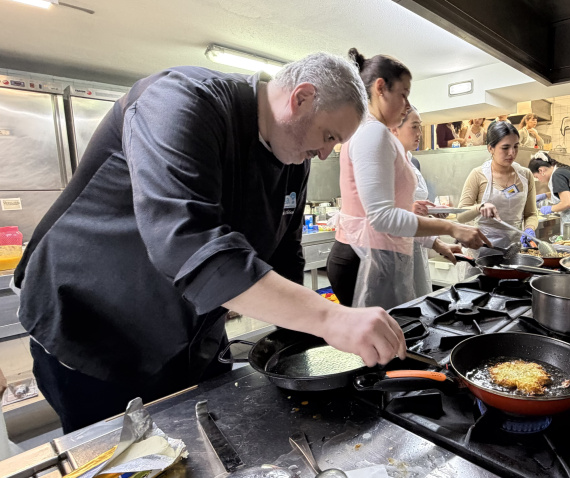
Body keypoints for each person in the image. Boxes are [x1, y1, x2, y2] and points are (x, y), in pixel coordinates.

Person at [13, 53, 410, 433]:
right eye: (328, 136)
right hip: (97, 327)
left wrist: (315, 338)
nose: (325, 153)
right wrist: (332, 319)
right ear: (301, 97)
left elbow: (283, 255)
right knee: (131, 458)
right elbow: (188, 242)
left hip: (191, 333)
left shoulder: (294, 161)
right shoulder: (180, 100)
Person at [328, 49, 488, 310]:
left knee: (387, 341)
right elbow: (383, 218)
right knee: (381, 345)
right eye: (403, 94)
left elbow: (396, 212)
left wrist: (436, 243)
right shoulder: (372, 133)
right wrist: (451, 228)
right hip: (362, 259)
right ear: (381, 88)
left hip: (372, 255)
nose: (406, 104)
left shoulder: (377, 134)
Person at [390, 106, 462, 296]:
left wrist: (431, 210)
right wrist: (441, 236)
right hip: (396, 246)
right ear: (395, 129)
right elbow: (393, 214)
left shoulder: (413, 162)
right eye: (414, 127)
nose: (419, 134)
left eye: (420, 127)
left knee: (417, 295)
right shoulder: (389, 162)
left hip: (417, 244)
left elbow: (414, 204)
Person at [457, 122, 539, 260]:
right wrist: (479, 208)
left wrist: (529, 228)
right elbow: (460, 216)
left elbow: (531, 213)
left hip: (514, 250)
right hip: (481, 250)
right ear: (491, 148)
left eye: (515, 147)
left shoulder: (525, 175)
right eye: (505, 148)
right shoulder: (478, 175)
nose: (512, 153)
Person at [529, 152, 570, 233]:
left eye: (536, 177)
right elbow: (567, 191)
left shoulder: (557, 176)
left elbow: (567, 203)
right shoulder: (560, 171)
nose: (539, 180)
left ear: (541, 170)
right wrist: (545, 195)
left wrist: (550, 209)